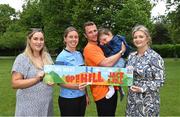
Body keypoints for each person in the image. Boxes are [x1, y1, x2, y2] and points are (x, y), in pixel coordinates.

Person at [83, 21, 126, 116]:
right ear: (85, 35)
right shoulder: (89, 48)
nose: (94, 34)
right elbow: (107, 63)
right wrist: (121, 52)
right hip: (102, 93)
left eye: (95, 30)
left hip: (111, 88)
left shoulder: (99, 45)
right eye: (90, 32)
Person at [11, 28, 54, 116]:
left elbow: (51, 76)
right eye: (35, 39)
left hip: (46, 104)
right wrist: (37, 78)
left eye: (41, 39)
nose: (39, 42)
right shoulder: (22, 58)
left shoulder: (47, 57)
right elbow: (15, 83)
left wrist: (52, 80)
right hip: (29, 107)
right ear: (29, 40)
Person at [126, 25, 165, 116]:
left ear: (147, 39)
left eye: (141, 37)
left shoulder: (155, 57)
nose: (137, 39)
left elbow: (160, 81)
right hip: (132, 100)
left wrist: (142, 88)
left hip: (148, 101)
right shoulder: (131, 56)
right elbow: (128, 76)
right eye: (135, 37)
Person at [55, 26, 89, 116]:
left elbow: (83, 77)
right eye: (71, 37)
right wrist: (76, 87)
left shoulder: (79, 54)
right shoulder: (61, 57)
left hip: (81, 98)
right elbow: (58, 81)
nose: (74, 39)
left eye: (76, 37)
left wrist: (86, 95)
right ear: (65, 39)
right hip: (68, 100)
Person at [98, 28, 132, 101]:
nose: (105, 42)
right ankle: (118, 88)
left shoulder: (117, 39)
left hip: (121, 59)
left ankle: (112, 87)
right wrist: (102, 46)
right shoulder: (108, 43)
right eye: (102, 42)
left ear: (110, 34)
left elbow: (118, 50)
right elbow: (107, 53)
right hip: (117, 59)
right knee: (110, 72)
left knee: (113, 72)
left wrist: (110, 57)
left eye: (105, 39)